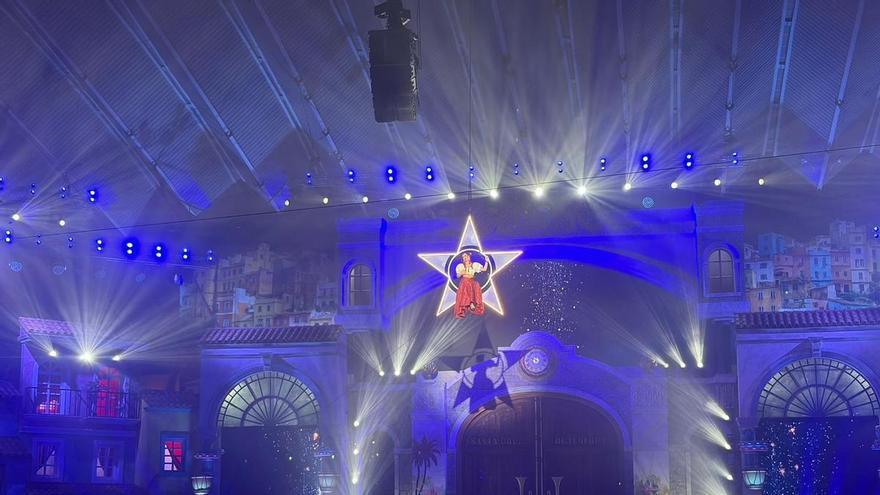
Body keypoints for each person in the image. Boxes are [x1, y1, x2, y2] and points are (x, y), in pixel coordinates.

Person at [455, 252, 485, 319]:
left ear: (469, 257)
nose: (465, 258)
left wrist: (487, 262)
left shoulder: (473, 265)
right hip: (465, 281)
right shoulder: (461, 266)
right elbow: (457, 275)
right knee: (466, 283)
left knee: (475, 284)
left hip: (471, 281)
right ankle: (469, 303)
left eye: (466, 256)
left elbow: (484, 269)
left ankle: (472, 302)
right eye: (463, 257)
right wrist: (460, 273)